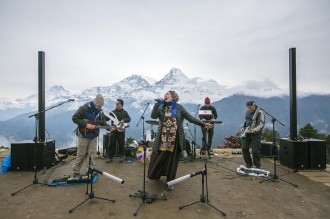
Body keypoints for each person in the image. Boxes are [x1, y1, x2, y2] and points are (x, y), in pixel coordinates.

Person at [148, 90, 213, 191]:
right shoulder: (161, 106)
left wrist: (203, 124)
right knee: (159, 156)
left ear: (173, 97)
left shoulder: (179, 108)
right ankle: (156, 174)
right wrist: (157, 105)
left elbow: (190, 118)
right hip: (162, 137)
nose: (165, 95)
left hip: (175, 138)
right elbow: (153, 116)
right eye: (165, 94)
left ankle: (170, 181)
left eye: (168, 94)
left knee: (172, 160)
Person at [72, 94, 110, 177]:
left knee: (92, 154)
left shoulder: (100, 111)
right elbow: (74, 118)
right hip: (83, 135)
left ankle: (90, 170)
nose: (100, 107)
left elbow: (102, 121)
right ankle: (76, 171)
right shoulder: (84, 108)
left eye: (101, 106)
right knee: (81, 154)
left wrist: (109, 128)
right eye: (98, 106)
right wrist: (85, 124)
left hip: (94, 135)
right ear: (95, 103)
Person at [240, 100, 265, 168]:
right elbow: (246, 121)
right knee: (244, 148)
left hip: (255, 133)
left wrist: (252, 131)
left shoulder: (260, 112)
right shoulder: (247, 112)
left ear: (254, 106)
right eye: (247, 107)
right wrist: (243, 127)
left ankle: (257, 165)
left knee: (255, 150)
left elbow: (261, 124)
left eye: (250, 107)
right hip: (246, 132)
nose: (249, 109)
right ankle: (248, 164)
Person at [106, 99, 131, 163]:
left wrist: (123, 120)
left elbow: (129, 119)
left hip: (121, 130)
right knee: (111, 144)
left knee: (121, 144)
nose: (116, 105)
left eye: (117, 104)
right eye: (116, 104)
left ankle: (121, 156)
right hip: (113, 130)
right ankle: (109, 157)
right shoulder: (112, 112)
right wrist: (103, 116)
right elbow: (106, 119)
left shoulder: (125, 112)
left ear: (121, 104)